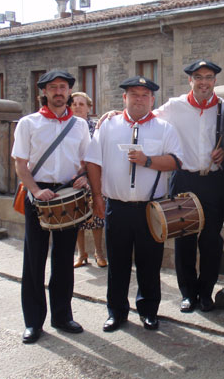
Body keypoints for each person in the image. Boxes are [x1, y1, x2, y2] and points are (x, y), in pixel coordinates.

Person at [85, 76, 183, 332]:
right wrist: (97, 197)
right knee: (116, 263)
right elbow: (93, 161)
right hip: (117, 206)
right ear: (124, 98)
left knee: (150, 263)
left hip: (151, 208)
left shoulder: (164, 128)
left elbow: (175, 161)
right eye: (133, 94)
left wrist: (147, 161)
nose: (139, 99)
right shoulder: (108, 126)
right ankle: (116, 312)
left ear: (152, 100)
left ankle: (148, 311)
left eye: (144, 95)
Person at [11, 70, 91, 344]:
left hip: (68, 195)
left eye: (63, 87)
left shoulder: (79, 125)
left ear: (69, 92)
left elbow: (86, 161)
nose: (59, 92)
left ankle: (61, 315)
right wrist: (34, 190)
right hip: (38, 195)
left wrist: (83, 178)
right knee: (34, 261)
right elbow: (20, 164)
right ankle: (33, 322)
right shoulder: (28, 123)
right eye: (53, 87)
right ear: (44, 92)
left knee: (64, 260)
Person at [155, 60, 224, 313]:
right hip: (184, 179)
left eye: (208, 77)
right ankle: (187, 294)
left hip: (213, 181)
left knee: (211, 241)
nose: (204, 82)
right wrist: (116, 115)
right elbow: (148, 120)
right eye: (199, 77)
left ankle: (206, 293)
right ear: (190, 80)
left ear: (215, 81)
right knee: (184, 239)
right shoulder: (175, 107)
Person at [71, 92, 107, 269]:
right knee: (77, 216)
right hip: (74, 178)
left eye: (81, 104)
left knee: (96, 216)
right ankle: (81, 253)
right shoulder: (67, 127)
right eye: (74, 103)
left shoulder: (96, 127)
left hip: (94, 177)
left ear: (89, 107)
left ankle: (99, 252)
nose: (77, 106)